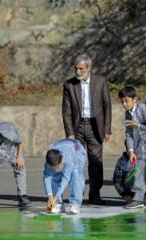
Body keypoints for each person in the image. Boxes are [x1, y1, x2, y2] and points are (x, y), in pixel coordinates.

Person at [62, 54, 112, 205]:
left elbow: (107, 106)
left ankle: (95, 195)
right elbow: (66, 111)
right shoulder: (69, 85)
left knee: (95, 162)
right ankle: (77, 195)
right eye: (76, 68)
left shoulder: (100, 81)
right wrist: (70, 132)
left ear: (89, 68)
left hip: (95, 127)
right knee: (76, 162)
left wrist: (107, 129)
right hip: (77, 128)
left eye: (81, 68)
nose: (78, 71)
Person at [44, 139, 86, 214]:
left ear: (62, 160)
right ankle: (59, 204)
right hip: (64, 150)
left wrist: (55, 197)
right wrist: (50, 196)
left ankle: (75, 204)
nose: (56, 170)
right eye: (54, 168)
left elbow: (66, 179)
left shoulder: (67, 159)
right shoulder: (49, 160)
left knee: (75, 173)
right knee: (55, 175)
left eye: (57, 167)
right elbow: (47, 177)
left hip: (77, 152)